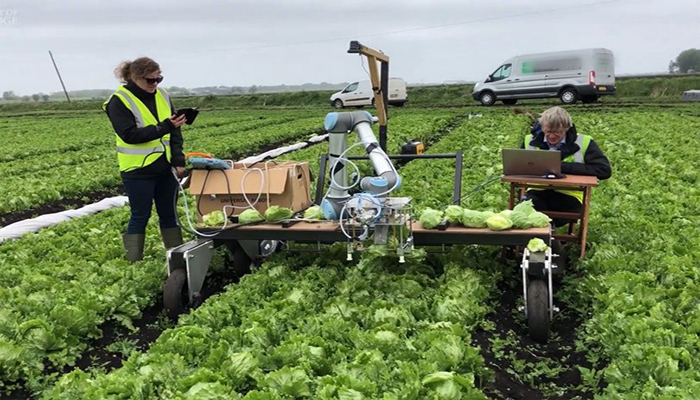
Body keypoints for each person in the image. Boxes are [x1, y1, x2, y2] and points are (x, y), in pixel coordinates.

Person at [103, 57, 186, 263]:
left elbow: (175, 132)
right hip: (137, 171)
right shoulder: (119, 101)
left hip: (165, 168)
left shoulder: (163, 96)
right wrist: (164, 126)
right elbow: (129, 135)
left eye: (159, 79)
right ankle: (134, 261)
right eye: (150, 80)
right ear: (135, 78)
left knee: (169, 214)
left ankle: (177, 258)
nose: (155, 84)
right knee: (140, 216)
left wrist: (178, 159)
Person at [522, 106, 611, 220]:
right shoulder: (529, 141)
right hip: (536, 192)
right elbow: (520, 165)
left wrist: (560, 167)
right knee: (526, 209)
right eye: (548, 131)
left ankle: (547, 234)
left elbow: (604, 170)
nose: (552, 136)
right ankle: (542, 235)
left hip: (570, 195)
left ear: (567, 128)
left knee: (556, 214)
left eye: (557, 132)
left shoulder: (584, 142)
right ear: (542, 127)